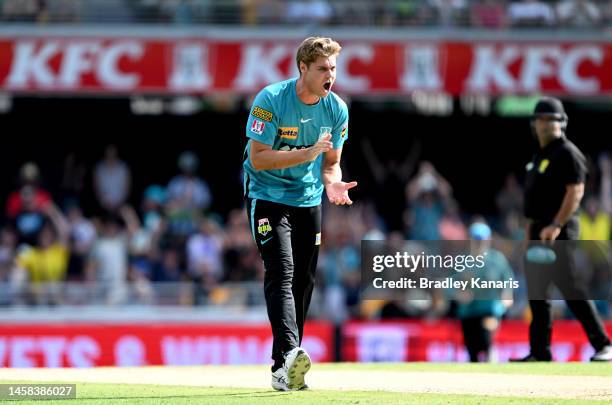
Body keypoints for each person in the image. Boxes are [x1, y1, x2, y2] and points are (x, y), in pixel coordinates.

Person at [243, 36, 356, 390]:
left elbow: (331, 164)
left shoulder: (337, 109)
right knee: (282, 271)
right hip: (268, 196)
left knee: (305, 281)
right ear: (303, 68)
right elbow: (259, 158)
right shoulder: (270, 100)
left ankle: (283, 367)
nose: (330, 75)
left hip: (307, 200)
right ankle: (292, 352)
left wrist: (332, 182)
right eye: (323, 68)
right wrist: (306, 153)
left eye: (333, 68)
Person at [511, 97, 612, 362]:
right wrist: (529, 235)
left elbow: (575, 191)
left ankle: (604, 344)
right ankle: (540, 352)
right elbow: (533, 203)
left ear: (562, 123)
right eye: (540, 119)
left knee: (571, 288)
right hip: (537, 232)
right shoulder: (539, 156)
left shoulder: (567, 152)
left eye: (550, 120)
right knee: (537, 294)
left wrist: (556, 224)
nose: (544, 125)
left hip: (559, 231)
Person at [456, 221, 514, 362]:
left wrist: (507, 296)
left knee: (486, 339)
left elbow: (508, 281)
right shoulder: (462, 261)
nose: (479, 243)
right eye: (476, 240)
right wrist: (460, 293)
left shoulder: (497, 260)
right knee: (472, 351)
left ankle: (490, 363)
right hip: (468, 311)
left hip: (490, 308)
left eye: (482, 240)